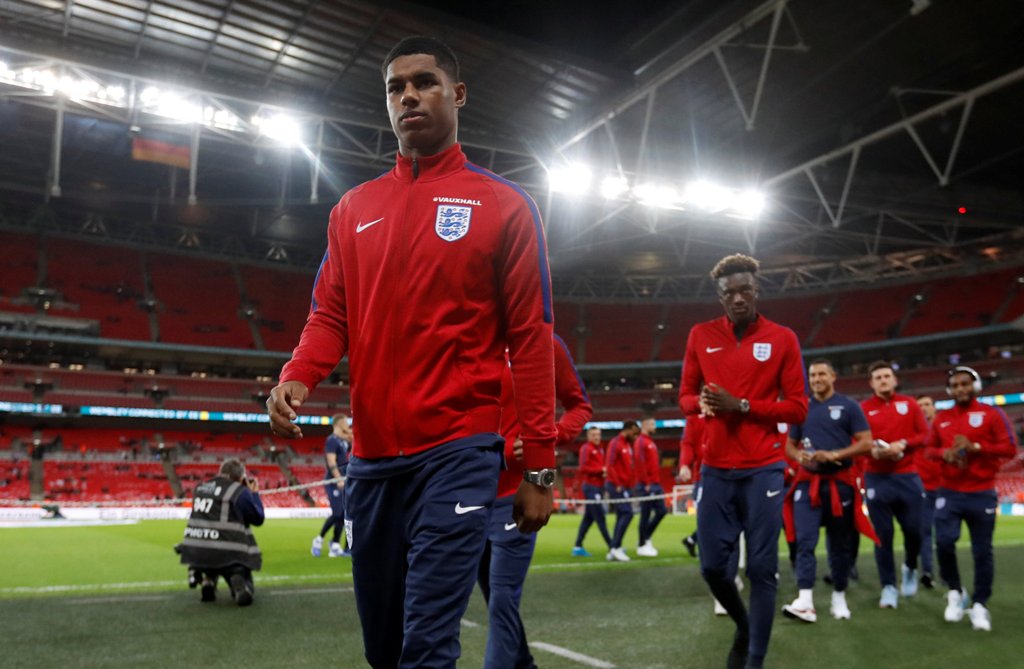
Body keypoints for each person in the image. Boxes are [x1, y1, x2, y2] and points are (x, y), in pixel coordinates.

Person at [266, 36, 556, 669]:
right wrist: (298, 375)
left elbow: (531, 341)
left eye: (423, 82)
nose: (408, 96)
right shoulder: (353, 209)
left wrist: (538, 468)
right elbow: (329, 315)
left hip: (459, 451)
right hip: (372, 463)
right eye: (395, 88)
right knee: (384, 650)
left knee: (426, 648)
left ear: (456, 94)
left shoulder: (505, 206)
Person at [678, 253, 808, 669]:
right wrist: (698, 403)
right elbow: (683, 396)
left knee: (763, 569)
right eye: (729, 292)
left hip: (764, 467)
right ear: (719, 297)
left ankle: (753, 659)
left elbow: (798, 408)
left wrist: (744, 405)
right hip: (715, 467)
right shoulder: (700, 334)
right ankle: (744, 624)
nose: (737, 298)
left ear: (757, 291)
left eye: (744, 290)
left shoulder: (783, 338)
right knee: (713, 568)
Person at [478, 334, 591, 669]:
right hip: (468, 492)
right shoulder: (468, 333)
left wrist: (544, 439)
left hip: (518, 494)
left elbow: (580, 405)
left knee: (501, 599)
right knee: (497, 602)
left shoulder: (545, 343)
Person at [781, 359, 876, 623]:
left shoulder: (849, 406)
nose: (817, 379)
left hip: (839, 485)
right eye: (812, 375)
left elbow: (866, 443)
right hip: (807, 484)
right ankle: (805, 599)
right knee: (805, 542)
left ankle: (839, 596)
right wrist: (801, 457)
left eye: (822, 374)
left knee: (840, 544)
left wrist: (834, 454)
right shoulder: (802, 408)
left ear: (833, 376)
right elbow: (789, 446)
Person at [927, 366, 1017, 631]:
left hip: (982, 491)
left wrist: (976, 448)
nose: (960, 389)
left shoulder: (992, 414)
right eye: (955, 386)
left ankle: (980, 604)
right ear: (949, 390)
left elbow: (1010, 448)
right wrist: (945, 454)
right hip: (949, 492)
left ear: (975, 386)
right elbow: (929, 450)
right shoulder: (941, 418)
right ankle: (955, 592)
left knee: (982, 551)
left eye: (965, 384)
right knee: (943, 542)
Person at [860, 360, 930, 608]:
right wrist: (873, 452)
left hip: (907, 476)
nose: (883, 380)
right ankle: (888, 586)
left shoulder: (909, 404)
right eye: (878, 377)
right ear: (871, 383)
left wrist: (903, 444)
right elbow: (858, 441)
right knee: (883, 535)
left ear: (894, 379)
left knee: (915, 531)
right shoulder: (863, 409)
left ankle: (910, 566)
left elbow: (924, 435)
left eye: (887, 376)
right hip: (877, 477)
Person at [175, 458, 264, 607]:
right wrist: (254, 494)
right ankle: (238, 579)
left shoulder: (200, 488)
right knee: (236, 561)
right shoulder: (238, 491)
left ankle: (208, 580)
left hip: (196, 552)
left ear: (220, 473)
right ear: (240, 478)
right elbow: (258, 518)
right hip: (228, 554)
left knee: (212, 548)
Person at [312, 414, 352, 558]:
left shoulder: (344, 441)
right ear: (338, 423)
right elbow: (331, 461)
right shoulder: (332, 440)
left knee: (342, 514)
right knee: (337, 513)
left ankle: (335, 545)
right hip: (333, 481)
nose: (348, 424)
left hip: (344, 480)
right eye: (345, 422)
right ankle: (318, 540)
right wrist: (338, 479)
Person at [573, 426, 614, 557]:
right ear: (588, 436)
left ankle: (577, 547)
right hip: (591, 487)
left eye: (598, 434)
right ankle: (612, 546)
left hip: (598, 487)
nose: (597, 437)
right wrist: (601, 470)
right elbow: (583, 467)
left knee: (588, 519)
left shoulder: (601, 449)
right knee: (600, 517)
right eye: (594, 435)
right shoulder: (586, 448)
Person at [605, 421, 640, 562]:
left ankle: (614, 548)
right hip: (616, 485)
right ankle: (616, 547)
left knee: (621, 515)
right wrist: (618, 484)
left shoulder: (626, 445)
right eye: (635, 432)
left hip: (624, 486)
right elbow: (610, 464)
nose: (636, 436)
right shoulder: (616, 443)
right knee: (627, 513)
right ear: (628, 430)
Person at [634, 417, 667, 557]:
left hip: (655, 483)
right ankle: (642, 545)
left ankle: (646, 537)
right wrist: (646, 483)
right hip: (647, 485)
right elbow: (639, 462)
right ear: (645, 425)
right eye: (653, 424)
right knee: (645, 514)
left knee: (662, 511)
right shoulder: (640, 442)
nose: (655, 427)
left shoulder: (650, 442)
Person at [916, 395, 940, 588]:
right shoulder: (913, 432)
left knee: (946, 534)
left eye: (927, 404)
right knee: (924, 531)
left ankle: (947, 572)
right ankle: (927, 571)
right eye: (920, 405)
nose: (923, 408)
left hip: (946, 488)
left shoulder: (944, 428)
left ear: (934, 407)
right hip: (922, 489)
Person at [677, 413, 705, 558]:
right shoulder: (694, 419)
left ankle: (691, 540)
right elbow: (687, 443)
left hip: (729, 474)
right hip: (704, 478)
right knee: (708, 519)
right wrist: (685, 465)